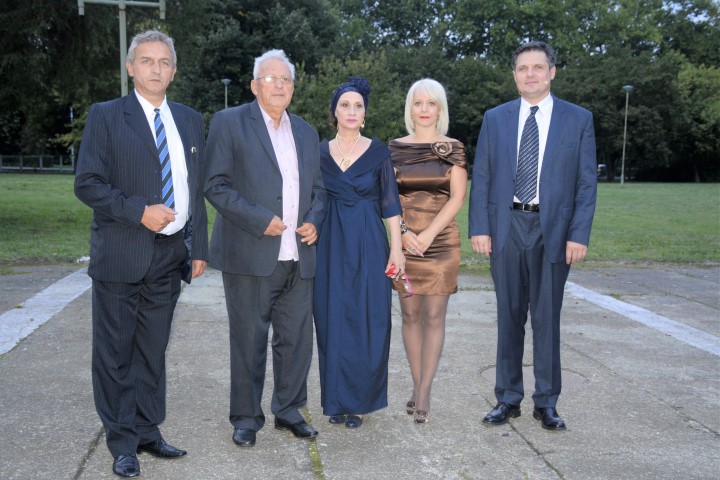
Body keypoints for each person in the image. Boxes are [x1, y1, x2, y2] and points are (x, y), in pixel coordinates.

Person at [74, 30, 208, 478]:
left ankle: (148, 431)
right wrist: (139, 212)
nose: (156, 69)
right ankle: (122, 443)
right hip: (121, 251)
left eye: (164, 62)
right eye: (147, 61)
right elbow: (87, 183)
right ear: (131, 67)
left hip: (170, 255)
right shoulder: (107, 115)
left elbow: (194, 188)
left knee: (152, 349)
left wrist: (198, 247)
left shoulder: (189, 119)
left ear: (174, 70)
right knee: (116, 353)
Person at [468, 41, 597, 430]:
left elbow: (586, 183)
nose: (530, 74)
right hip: (506, 227)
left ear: (551, 72)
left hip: (553, 230)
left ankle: (547, 402)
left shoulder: (578, 119)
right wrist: (480, 227)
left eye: (538, 67)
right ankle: (507, 398)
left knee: (547, 318)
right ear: (514, 75)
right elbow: (482, 175)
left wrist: (578, 234)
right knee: (508, 316)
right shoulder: (496, 118)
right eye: (523, 68)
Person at [204, 49, 326, 447]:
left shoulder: (306, 132)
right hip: (249, 253)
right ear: (254, 85)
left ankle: (288, 410)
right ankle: (245, 417)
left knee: (296, 341)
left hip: (299, 255)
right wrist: (259, 219)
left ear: (293, 87)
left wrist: (315, 220)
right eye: (271, 79)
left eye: (285, 79)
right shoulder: (229, 122)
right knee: (248, 340)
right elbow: (215, 185)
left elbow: (320, 191)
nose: (279, 85)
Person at [313, 77, 405, 429]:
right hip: (330, 242)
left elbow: (391, 204)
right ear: (334, 112)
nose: (352, 111)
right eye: (345, 105)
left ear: (365, 114)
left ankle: (361, 402)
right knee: (331, 318)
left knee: (368, 319)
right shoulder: (319, 152)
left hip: (368, 239)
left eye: (358, 106)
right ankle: (336, 400)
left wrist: (396, 250)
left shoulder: (379, 152)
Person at [388, 79, 468, 424]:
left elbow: (458, 197)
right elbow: (388, 198)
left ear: (440, 109)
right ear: (410, 108)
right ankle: (417, 383)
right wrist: (406, 235)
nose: (424, 109)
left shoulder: (453, 148)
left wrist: (429, 234)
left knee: (434, 317)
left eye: (431, 103)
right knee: (409, 316)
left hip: (442, 243)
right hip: (404, 246)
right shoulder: (394, 148)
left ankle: (423, 393)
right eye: (418, 103)